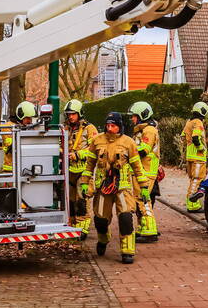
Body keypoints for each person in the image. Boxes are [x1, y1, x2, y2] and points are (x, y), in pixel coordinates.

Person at [81, 112, 149, 264]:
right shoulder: (97, 141)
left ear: (120, 126)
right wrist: (85, 182)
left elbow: (137, 167)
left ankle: (127, 251)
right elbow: (90, 164)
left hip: (122, 188)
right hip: (103, 187)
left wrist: (144, 186)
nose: (110, 128)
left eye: (113, 125)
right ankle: (103, 239)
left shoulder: (128, 142)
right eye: (108, 125)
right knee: (100, 219)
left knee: (126, 218)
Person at [64, 99, 99, 236]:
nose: (70, 117)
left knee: (81, 199)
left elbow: (94, 149)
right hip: (70, 170)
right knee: (71, 200)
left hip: (84, 171)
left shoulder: (90, 129)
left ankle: (82, 228)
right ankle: (72, 225)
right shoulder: (66, 128)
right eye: (68, 114)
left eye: (73, 114)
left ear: (79, 114)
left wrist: (78, 155)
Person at [128, 101, 160, 243]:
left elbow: (144, 150)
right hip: (141, 170)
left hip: (146, 171)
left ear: (142, 115)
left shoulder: (149, 130)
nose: (132, 119)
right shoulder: (142, 130)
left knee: (143, 199)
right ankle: (143, 228)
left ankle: (150, 231)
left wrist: (127, 150)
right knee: (138, 201)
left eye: (134, 116)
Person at [182, 101, 208, 212]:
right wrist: (201, 148)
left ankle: (193, 203)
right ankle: (192, 204)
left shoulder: (189, 122)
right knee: (197, 179)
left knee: (192, 180)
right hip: (198, 157)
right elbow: (195, 137)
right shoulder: (198, 122)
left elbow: (183, 136)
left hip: (189, 155)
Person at [1, 101, 38, 172]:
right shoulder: (8, 126)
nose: (30, 121)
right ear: (20, 116)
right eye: (28, 118)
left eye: (31, 118)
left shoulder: (28, 126)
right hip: (11, 169)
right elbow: (11, 147)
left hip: (26, 167)